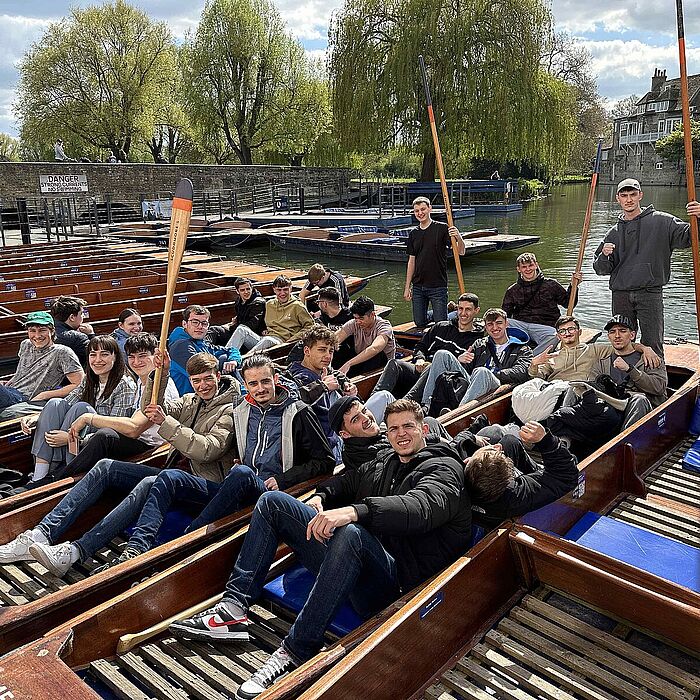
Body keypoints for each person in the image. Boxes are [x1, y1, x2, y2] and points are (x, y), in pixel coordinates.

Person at [169, 399, 471, 699]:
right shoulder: (387, 461)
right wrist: (322, 498)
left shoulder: (444, 468)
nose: (401, 434)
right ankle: (233, 609)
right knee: (274, 504)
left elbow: (419, 508)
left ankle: (296, 651)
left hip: (398, 586)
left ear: (423, 428)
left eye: (408, 426)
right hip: (355, 567)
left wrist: (354, 511)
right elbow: (345, 480)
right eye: (393, 429)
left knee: (350, 532)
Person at [0, 352, 239, 575]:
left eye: (208, 379)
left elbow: (207, 450)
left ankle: (75, 552)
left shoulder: (230, 408)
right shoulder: (191, 401)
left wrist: (166, 423)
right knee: (106, 466)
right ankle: (40, 534)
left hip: (205, 486)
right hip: (171, 476)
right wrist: (161, 374)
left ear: (218, 376)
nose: (203, 385)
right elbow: (152, 407)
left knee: (149, 482)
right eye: (196, 381)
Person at [45, 333, 180, 483]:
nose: (136, 362)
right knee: (65, 408)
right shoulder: (142, 383)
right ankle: (52, 471)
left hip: (152, 448)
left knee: (105, 436)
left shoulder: (158, 387)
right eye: (132, 357)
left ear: (157, 356)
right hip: (139, 441)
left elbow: (134, 428)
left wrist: (88, 418)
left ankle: (57, 480)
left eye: (142, 356)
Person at [593, 178, 700, 355]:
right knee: (622, 343)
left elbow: (690, 237)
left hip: (650, 292)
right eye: (624, 195)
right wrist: (604, 255)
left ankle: (656, 379)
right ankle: (625, 378)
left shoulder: (663, 221)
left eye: (633, 194)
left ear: (640, 196)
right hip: (621, 294)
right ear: (617, 199)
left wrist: (699, 216)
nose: (629, 199)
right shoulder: (613, 233)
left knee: (653, 342)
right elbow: (600, 269)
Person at [21, 336, 136, 483]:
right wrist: (36, 417)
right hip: (75, 435)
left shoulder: (124, 385)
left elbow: (114, 430)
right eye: (93, 355)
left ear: (116, 357)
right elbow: (66, 403)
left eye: (105, 354)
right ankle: (40, 474)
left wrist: (73, 439)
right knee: (55, 403)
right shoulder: (89, 379)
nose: (98, 360)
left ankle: (63, 470)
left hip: (96, 443)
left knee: (81, 408)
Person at [514, 315, 660, 425]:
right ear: (558, 335)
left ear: (579, 332)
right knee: (521, 393)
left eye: (571, 329)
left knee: (574, 392)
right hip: (553, 393)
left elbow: (623, 346)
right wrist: (534, 364)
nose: (567, 333)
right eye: (563, 331)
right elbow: (537, 378)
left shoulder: (594, 350)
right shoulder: (552, 356)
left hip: (579, 394)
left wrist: (645, 348)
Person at [285, 326, 394, 460]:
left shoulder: (322, 370)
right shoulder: (296, 378)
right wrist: (323, 386)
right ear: (307, 351)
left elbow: (336, 375)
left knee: (384, 396)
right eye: (322, 350)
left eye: (331, 351)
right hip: (334, 443)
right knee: (385, 397)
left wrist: (348, 389)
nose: (328, 356)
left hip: (348, 426)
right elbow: (298, 398)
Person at [464, 421, 579, 531]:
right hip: (504, 508)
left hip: (484, 506)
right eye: (493, 450)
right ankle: (541, 470)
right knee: (573, 459)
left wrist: (469, 440)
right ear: (510, 479)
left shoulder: (461, 479)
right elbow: (567, 477)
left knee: (509, 441)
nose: (498, 446)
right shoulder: (516, 496)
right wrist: (546, 440)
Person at [371, 293, 484, 401]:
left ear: (476, 311)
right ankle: (373, 400)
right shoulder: (441, 327)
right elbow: (421, 346)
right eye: (460, 309)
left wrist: (457, 359)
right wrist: (420, 358)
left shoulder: (477, 341)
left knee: (431, 368)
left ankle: (406, 403)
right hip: (422, 367)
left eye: (468, 309)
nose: (463, 313)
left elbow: (467, 372)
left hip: (442, 380)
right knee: (394, 363)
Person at [420, 308, 533, 413]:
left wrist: (494, 374)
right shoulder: (480, 344)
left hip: (498, 386)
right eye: (490, 324)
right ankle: (427, 405)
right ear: (486, 327)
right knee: (442, 354)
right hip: (475, 382)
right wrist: (460, 360)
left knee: (482, 371)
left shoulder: (522, 348)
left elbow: (522, 371)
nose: (494, 328)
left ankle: (458, 413)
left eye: (499, 323)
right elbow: (467, 370)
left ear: (506, 324)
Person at [328, 395, 450, 471]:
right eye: (355, 419)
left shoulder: (371, 439)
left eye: (364, 411)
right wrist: (437, 440)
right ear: (345, 434)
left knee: (430, 421)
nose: (365, 418)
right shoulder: (367, 456)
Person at [0, 311, 84, 420]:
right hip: (11, 391)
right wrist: (10, 382)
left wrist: (45, 395)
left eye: (42, 330)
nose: (37, 336)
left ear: (52, 331)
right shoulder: (26, 344)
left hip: (25, 399)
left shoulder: (62, 352)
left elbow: (79, 384)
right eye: (32, 331)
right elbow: (23, 371)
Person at [589, 315, 668, 427]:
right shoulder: (602, 362)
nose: (617, 336)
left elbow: (659, 388)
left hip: (644, 411)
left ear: (632, 335)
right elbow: (593, 389)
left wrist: (631, 370)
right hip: (612, 408)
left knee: (639, 400)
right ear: (608, 336)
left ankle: (622, 441)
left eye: (622, 331)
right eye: (612, 332)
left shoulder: (650, 358)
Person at [403, 196, 466, 327]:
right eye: (416, 211)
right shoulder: (413, 234)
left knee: (441, 324)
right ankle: (447, 310)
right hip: (419, 286)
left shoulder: (442, 228)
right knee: (419, 322)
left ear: (430, 209)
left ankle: (451, 314)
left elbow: (461, 252)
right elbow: (411, 261)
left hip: (438, 285)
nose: (420, 213)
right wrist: (407, 287)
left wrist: (459, 237)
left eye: (423, 209)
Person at [502, 252, 581, 353]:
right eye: (524, 267)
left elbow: (568, 303)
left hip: (546, 327)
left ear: (536, 265)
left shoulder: (551, 284)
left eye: (530, 265)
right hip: (522, 325)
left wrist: (573, 286)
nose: (528, 269)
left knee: (556, 335)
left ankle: (532, 358)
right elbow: (505, 314)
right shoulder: (512, 290)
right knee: (500, 323)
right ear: (519, 269)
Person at [167, 305, 241, 395]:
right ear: (184, 324)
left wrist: (234, 361)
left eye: (204, 323)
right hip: (191, 399)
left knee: (225, 358)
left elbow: (230, 350)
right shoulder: (180, 346)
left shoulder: (201, 343)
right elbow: (202, 374)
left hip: (206, 394)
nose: (200, 327)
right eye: (195, 322)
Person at [233, 276, 315, 353]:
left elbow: (310, 326)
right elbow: (260, 319)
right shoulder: (269, 304)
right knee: (241, 329)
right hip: (265, 338)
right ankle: (225, 354)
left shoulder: (298, 306)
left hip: (282, 342)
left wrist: (292, 339)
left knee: (267, 340)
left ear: (291, 289)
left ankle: (242, 361)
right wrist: (263, 329)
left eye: (285, 289)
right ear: (274, 290)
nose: (282, 293)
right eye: (279, 290)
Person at [335, 296, 396, 377]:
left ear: (372, 314)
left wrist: (349, 363)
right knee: (338, 347)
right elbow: (334, 339)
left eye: (361, 318)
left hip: (380, 363)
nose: (358, 322)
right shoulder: (353, 323)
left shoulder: (384, 327)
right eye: (355, 318)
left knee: (377, 355)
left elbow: (375, 348)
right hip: (360, 361)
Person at [50, 295, 95, 367]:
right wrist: (91, 335)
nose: (83, 316)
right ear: (72, 317)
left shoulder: (46, 332)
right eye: (81, 313)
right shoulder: (78, 338)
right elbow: (96, 357)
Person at [224, 279, 267, 351]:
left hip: (254, 335)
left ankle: (226, 355)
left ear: (252, 288)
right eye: (242, 290)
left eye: (248, 289)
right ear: (237, 291)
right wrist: (235, 322)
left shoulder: (258, 303)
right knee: (215, 329)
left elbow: (252, 325)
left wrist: (233, 326)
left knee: (240, 329)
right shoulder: (239, 302)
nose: (246, 292)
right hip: (239, 329)